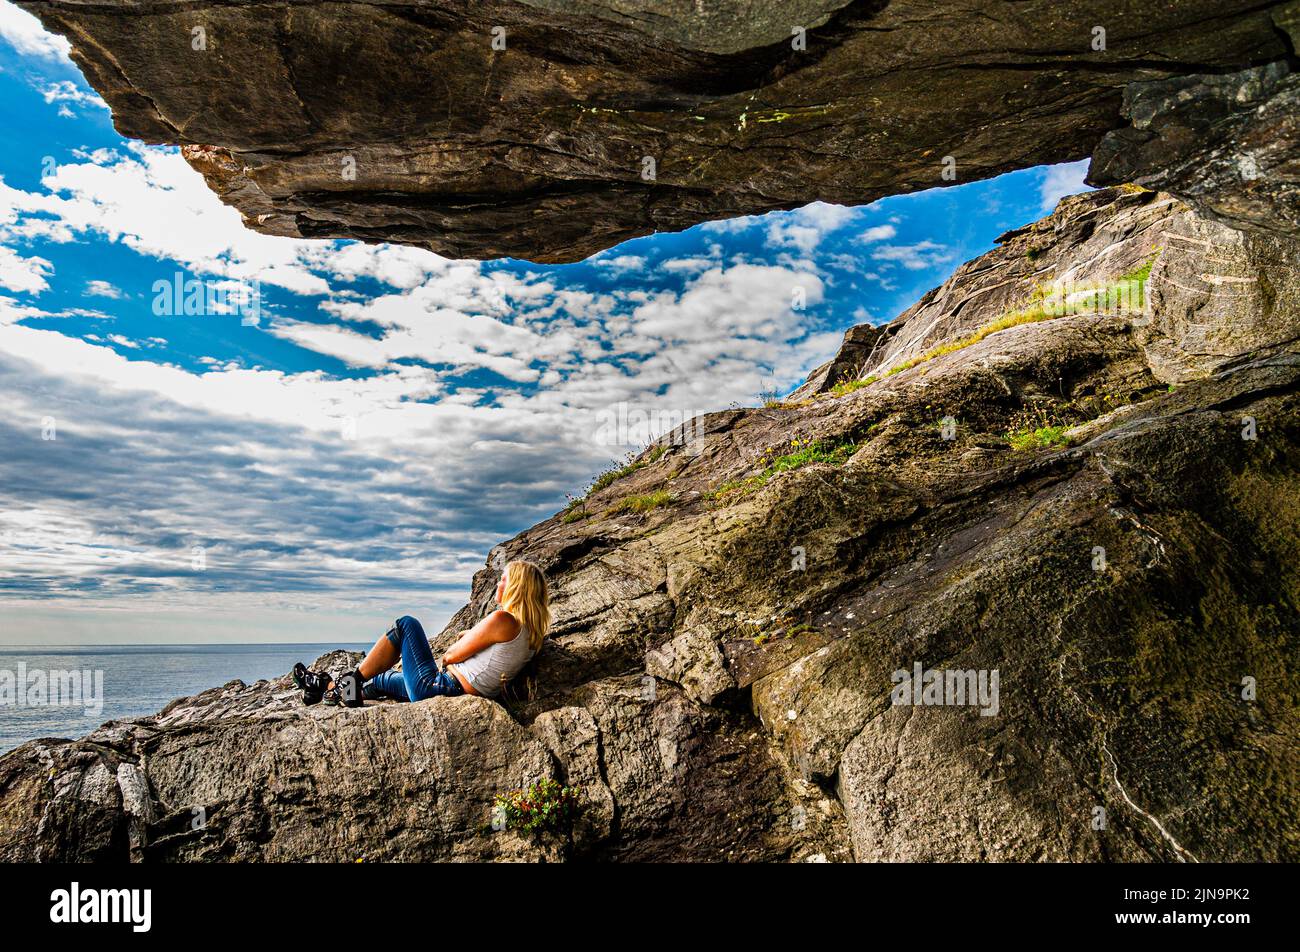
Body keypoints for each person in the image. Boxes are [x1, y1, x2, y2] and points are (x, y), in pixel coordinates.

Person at [293, 560, 550, 706]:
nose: (498, 583)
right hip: (454, 690)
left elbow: (451, 655)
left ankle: (350, 681)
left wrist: (460, 647)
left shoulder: (504, 619)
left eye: (503, 579)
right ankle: (329, 688)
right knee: (382, 679)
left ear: (517, 586)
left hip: (442, 688)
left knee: (406, 624)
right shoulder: (533, 632)